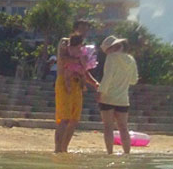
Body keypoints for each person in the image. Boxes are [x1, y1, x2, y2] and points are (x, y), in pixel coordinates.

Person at [54, 19, 98, 152]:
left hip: (77, 84)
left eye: (86, 29)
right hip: (65, 81)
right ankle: (57, 149)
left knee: (74, 119)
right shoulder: (66, 42)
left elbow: (84, 70)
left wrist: (94, 83)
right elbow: (63, 59)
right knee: (64, 118)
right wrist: (80, 59)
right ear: (75, 28)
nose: (85, 31)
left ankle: (64, 148)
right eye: (82, 28)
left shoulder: (83, 48)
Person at [97, 35, 139, 154]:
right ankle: (127, 153)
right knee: (123, 128)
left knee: (108, 127)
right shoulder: (131, 59)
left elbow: (108, 76)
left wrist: (100, 91)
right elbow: (133, 80)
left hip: (108, 97)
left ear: (111, 48)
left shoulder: (111, 57)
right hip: (123, 99)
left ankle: (110, 152)